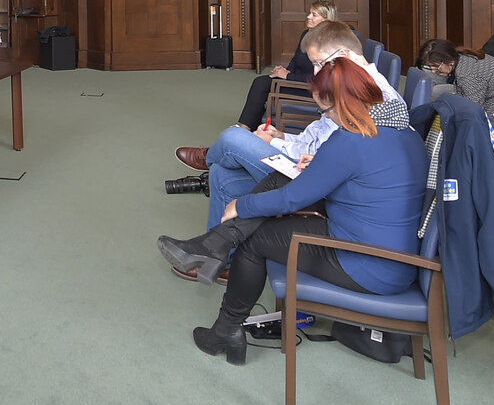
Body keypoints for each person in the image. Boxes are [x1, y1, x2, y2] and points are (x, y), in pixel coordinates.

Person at [164, 57, 427, 366]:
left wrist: (241, 204)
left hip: (369, 263)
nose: (325, 117)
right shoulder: (402, 129)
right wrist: (319, 166)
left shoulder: (351, 140)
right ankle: (215, 245)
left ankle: (225, 327)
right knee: (283, 175)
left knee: (255, 240)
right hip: (387, 250)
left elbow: (292, 200)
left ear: (341, 104)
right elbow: (367, 179)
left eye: (325, 111)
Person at [171, 20, 409, 244]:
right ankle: (221, 255)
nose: (316, 73)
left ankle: (210, 156)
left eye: (319, 63)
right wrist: (281, 137)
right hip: (304, 160)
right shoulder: (346, 81)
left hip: (312, 178)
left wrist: (275, 144)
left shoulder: (369, 95)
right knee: (222, 176)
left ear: (344, 55)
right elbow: (316, 138)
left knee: (233, 138)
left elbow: (328, 157)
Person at [232, 0, 334, 131]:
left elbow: (318, 77)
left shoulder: (329, 43)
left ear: (326, 20)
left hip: (310, 88)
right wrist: (283, 71)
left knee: (261, 84)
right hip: (294, 80)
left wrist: (288, 77)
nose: (308, 17)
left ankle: (246, 128)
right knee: (262, 82)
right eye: (309, 13)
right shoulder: (306, 34)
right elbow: (296, 60)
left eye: (314, 15)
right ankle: (248, 127)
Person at [417, 38, 494, 115]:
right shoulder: (463, 57)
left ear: (449, 61)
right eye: (429, 67)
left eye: (436, 66)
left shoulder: (468, 74)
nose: (433, 71)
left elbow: (473, 110)